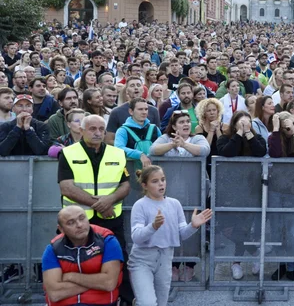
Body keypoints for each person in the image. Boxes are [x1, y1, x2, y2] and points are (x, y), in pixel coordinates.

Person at [57, 114, 133, 304]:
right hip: (78, 221)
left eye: (101, 129)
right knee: (75, 261)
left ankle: (123, 297)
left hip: (111, 218)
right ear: (81, 131)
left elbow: (125, 186)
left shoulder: (117, 153)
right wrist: (100, 205)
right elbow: (66, 187)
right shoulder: (68, 153)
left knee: (117, 258)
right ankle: (76, 298)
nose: (98, 133)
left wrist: (110, 200)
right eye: (92, 129)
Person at [129, 165, 212, 304]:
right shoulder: (140, 205)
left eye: (163, 179)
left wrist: (193, 226)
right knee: (148, 303)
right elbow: (136, 237)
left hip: (165, 260)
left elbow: (182, 234)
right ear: (145, 185)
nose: (161, 183)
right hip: (142, 261)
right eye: (155, 181)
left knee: (161, 302)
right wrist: (153, 226)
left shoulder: (174, 204)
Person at [215, 111, 267, 280]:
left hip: (252, 189)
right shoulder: (225, 137)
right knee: (227, 228)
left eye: (248, 122)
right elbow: (227, 152)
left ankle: (236, 263)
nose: (245, 125)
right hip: (230, 191)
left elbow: (260, 152)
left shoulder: (257, 137)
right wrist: (238, 133)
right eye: (241, 122)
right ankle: (255, 252)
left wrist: (249, 133)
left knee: (244, 227)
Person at [42, 206, 123, 306]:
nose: (79, 225)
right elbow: (55, 294)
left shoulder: (107, 241)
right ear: (61, 229)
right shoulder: (53, 249)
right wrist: (97, 282)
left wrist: (71, 276)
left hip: (101, 303)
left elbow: (109, 283)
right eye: (71, 222)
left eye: (82, 218)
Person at [267, 112, 294, 281]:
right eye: (290, 122)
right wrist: (277, 130)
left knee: (293, 232)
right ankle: (280, 265)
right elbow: (275, 154)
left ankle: (292, 267)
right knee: (277, 230)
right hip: (276, 190)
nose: (293, 125)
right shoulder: (275, 136)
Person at [106, 77, 160, 145]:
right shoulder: (116, 112)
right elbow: (109, 139)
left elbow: (158, 138)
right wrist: (128, 148)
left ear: (143, 90)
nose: (136, 88)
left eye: (138, 85)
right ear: (127, 91)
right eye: (132, 85)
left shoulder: (154, 111)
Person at [115, 98, 161, 170]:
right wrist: (139, 154)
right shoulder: (123, 130)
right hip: (131, 173)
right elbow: (118, 148)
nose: (144, 112)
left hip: (153, 173)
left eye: (146, 109)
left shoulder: (154, 128)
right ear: (131, 111)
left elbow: (162, 146)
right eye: (140, 109)